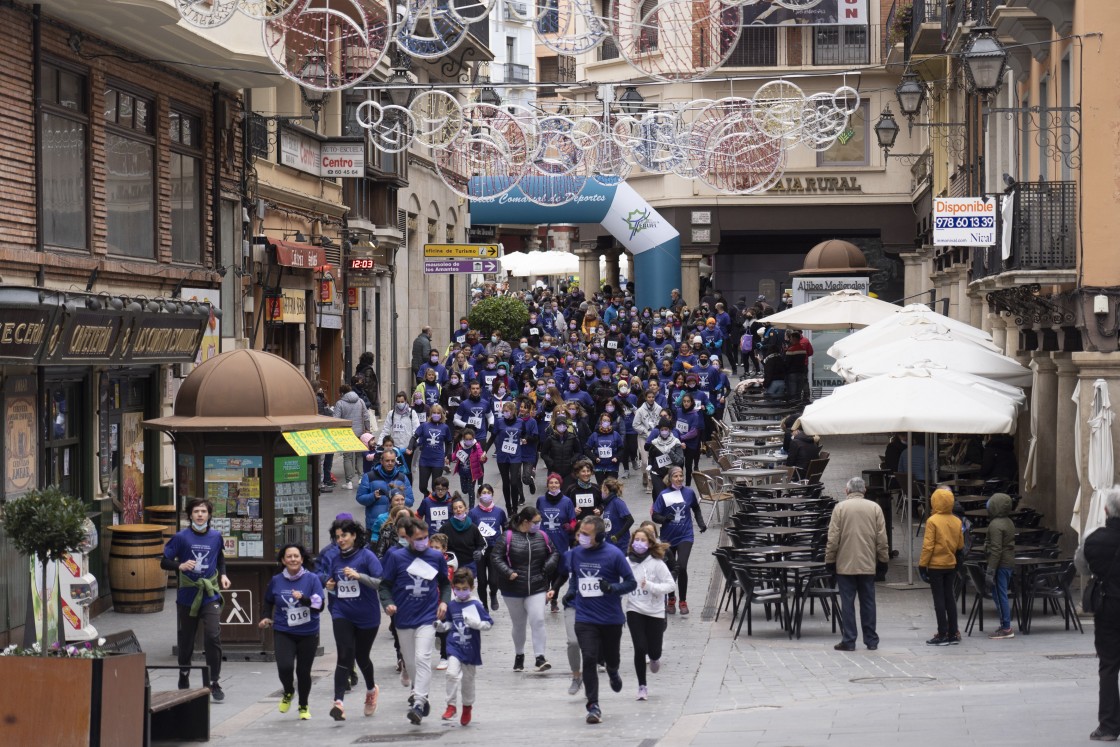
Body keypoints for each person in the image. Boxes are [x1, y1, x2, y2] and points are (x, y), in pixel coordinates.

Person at [378, 518, 451, 725]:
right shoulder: (396, 557)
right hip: (403, 618)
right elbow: (384, 586)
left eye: (425, 537)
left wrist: (444, 602)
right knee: (410, 663)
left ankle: (419, 702)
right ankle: (418, 692)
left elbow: (445, 584)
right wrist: (388, 603)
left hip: (427, 617)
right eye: (418, 538)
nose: (423, 542)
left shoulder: (436, 557)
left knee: (422, 658)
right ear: (408, 537)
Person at [567, 516, 637, 724]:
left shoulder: (614, 554)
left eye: (586, 535)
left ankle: (613, 671)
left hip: (611, 618)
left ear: (598, 535)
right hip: (585, 617)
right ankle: (593, 705)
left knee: (611, 658)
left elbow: (631, 583)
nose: (581, 538)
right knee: (588, 657)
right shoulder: (576, 554)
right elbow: (576, 578)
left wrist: (612, 588)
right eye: (580, 534)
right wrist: (570, 593)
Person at [161, 497, 231, 700]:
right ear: (190, 515)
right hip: (188, 594)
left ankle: (214, 681)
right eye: (196, 511)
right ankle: (184, 674)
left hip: (210, 593)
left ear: (209, 515)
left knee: (212, 634)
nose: (200, 515)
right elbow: (164, 561)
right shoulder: (181, 537)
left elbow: (220, 558)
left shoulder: (216, 536)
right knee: (186, 640)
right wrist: (179, 566)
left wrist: (224, 574)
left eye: (203, 511)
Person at [322, 519, 383, 721]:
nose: (340, 540)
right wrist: (329, 585)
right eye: (337, 537)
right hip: (342, 612)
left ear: (354, 535)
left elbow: (380, 583)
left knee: (361, 657)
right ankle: (338, 702)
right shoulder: (335, 559)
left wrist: (359, 576)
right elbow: (332, 581)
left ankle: (371, 691)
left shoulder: (367, 556)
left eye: (344, 536)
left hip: (367, 615)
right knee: (344, 654)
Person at [259, 544, 325, 720]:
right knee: (285, 667)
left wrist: (303, 599)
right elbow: (268, 601)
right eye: (289, 556)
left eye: (296, 556)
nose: (293, 559)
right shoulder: (276, 580)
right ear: (283, 560)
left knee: (303, 672)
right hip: (283, 630)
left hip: (308, 632)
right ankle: (288, 691)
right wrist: (266, 617)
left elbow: (319, 606)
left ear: (302, 559)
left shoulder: (312, 580)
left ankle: (303, 705)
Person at [1075, 488, 1120, 742]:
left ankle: (1109, 726)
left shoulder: (1093, 539)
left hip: (1108, 607)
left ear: (1105, 510)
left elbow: (1080, 565)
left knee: (1109, 666)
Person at [491, 505, 559, 672]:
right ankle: (519, 654)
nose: (538, 525)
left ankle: (540, 657)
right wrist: (508, 572)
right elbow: (495, 557)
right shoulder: (507, 536)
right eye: (536, 522)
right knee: (519, 623)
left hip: (537, 585)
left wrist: (547, 566)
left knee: (538, 620)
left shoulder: (541, 536)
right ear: (526, 521)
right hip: (513, 588)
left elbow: (554, 553)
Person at [825, 477, 889, 651]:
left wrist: (830, 560)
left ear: (847, 491)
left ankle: (849, 639)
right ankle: (871, 640)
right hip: (867, 563)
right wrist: (883, 559)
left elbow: (833, 539)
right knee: (868, 602)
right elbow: (882, 539)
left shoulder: (840, 508)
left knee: (848, 603)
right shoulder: (875, 508)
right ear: (864, 490)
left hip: (845, 564)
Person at [623, 525, 675, 701]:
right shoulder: (626, 562)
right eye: (636, 540)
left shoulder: (657, 563)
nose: (639, 543)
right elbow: (620, 582)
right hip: (634, 608)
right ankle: (642, 686)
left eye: (642, 540)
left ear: (650, 543)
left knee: (654, 650)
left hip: (655, 611)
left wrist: (651, 586)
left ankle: (654, 658)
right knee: (639, 647)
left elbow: (670, 585)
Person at [437, 568, 494, 726]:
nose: (461, 592)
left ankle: (467, 706)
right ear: (453, 588)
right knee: (451, 673)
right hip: (454, 646)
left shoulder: (476, 604)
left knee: (468, 680)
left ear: (471, 588)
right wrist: (440, 626)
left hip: (470, 648)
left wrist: (477, 624)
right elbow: (448, 622)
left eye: (465, 589)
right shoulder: (452, 605)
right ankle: (451, 705)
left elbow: (488, 624)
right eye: (458, 589)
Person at [651, 466, 707, 615]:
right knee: (669, 569)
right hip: (667, 538)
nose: (679, 479)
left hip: (685, 535)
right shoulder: (663, 495)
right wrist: (664, 518)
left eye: (681, 476)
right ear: (670, 479)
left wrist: (701, 523)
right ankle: (671, 599)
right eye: (675, 476)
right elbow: (654, 516)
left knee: (681, 567)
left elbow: (695, 508)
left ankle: (683, 601)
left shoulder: (689, 492)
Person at [918, 487, 963, 646]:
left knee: (939, 599)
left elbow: (928, 546)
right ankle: (953, 632)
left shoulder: (932, 521)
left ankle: (942, 633)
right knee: (950, 597)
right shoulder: (957, 520)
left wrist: (922, 565)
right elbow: (960, 544)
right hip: (950, 564)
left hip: (936, 565)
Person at [468, 484, 508, 611]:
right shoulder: (473, 513)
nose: (486, 495)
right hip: (479, 550)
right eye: (483, 492)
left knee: (493, 580)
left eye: (488, 492)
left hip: (494, 549)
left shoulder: (499, 512)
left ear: (492, 494)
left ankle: (493, 593)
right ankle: (484, 605)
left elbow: (505, 528)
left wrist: (504, 543)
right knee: (482, 580)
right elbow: (469, 531)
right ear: (479, 494)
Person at [983, 492, 1016, 639]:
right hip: (1008, 562)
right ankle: (1004, 624)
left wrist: (990, 570)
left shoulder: (995, 525)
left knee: (1000, 594)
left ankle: (1006, 628)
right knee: (999, 594)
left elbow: (996, 550)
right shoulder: (1009, 521)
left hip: (1000, 564)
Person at [334, 384, 372, 490]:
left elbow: (336, 419)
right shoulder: (360, 401)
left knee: (347, 457)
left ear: (342, 393)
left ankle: (349, 482)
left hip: (346, 433)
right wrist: (367, 429)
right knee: (360, 455)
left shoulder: (340, 403)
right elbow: (366, 416)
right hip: (360, 432)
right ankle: (360, 478)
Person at [410, 405, 452, 496]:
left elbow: (449, 442)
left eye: (438, 413)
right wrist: (410, 447)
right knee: (422, 487)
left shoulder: (445, 427)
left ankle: (431, 503)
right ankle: (428, 495)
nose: (436, 415)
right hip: (425, 460)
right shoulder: (424, 425)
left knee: (435, 487)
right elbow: (414, 437)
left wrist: (448, 456)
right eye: (434, 413)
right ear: (430, 414)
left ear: (441, 415)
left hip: (438, 460)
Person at [444, 496, 486, 578]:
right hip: (453, 565)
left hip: (469, 564)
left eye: (460, 507)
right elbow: (439, 544)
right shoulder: (446, 528)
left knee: (466, 589)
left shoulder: (473, 527)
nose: (458, 510)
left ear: (465, 508)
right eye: (455, 508)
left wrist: (479, 551)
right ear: (452, 511)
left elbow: (481, 544)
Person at [646, 419, 685, 498]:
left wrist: (670, 452)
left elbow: (680, 461)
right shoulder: (655, 443)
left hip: (671, 474)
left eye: (666, 429)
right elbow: (651, 456)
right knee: (660, 494)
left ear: (670, 430)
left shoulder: (676, 442)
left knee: (671, 496)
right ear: (659, 431)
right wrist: (649, 464)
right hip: (657, 473)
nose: (664, 431)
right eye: (662, 430)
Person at [451, 426, 487, 507]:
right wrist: (449, 458)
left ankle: (471, 508)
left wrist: (483, 458)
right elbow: (455, 454)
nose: (468, 441)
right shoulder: (460, 445)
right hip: (462, 472)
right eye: (466, 439)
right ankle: (467, 495)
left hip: (472, 474)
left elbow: (481, 457)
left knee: (471, 491)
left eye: (470, 439)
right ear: (463, 438)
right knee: (464, 490)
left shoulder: (476, 446)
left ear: (473, 438)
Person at [599, 477, 634, 552]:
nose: (601, 492)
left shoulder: (617, 502)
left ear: (606, 490)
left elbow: (630, 520)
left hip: (620, 545)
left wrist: (618, 535)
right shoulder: (607, 504)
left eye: (602, 490)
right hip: (609, 544)